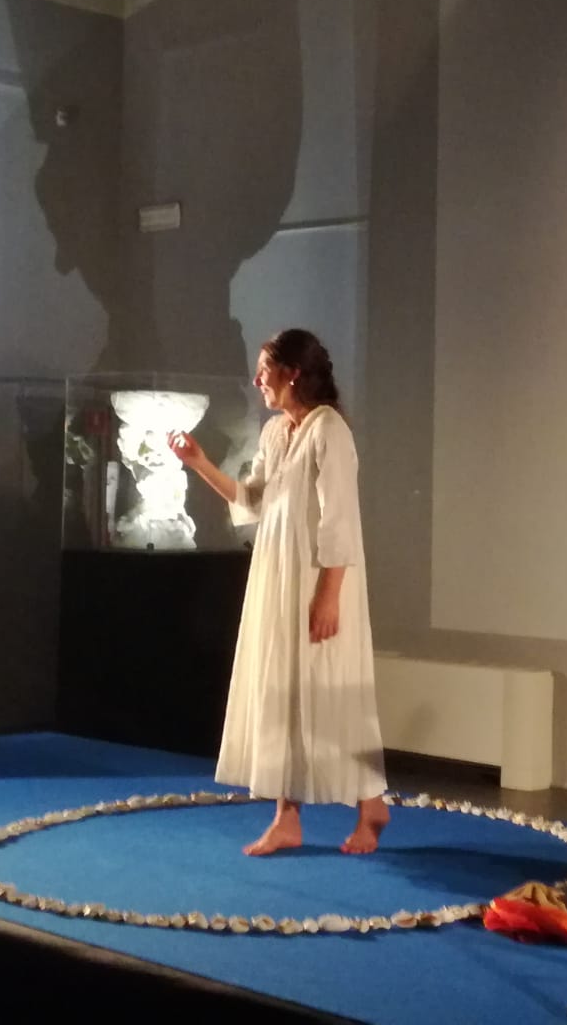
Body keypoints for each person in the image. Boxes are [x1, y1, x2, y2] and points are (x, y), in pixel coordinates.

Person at [169, 329, 390, 856]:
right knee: (283, 687)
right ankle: (286, 817)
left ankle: (371, 802)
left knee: (332, 686)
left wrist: (329, 594)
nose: (256, 380)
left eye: (264, 369)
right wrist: (199, 463)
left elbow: (340, 517)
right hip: (278, 576)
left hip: (318, 577)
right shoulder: (274, 432)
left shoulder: (328, 429)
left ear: (292, 373)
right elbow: (251, 500)